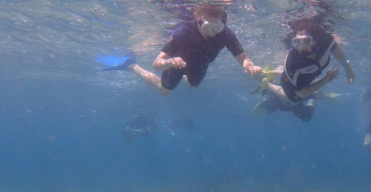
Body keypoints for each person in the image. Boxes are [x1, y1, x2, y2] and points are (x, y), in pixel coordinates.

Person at [103, 5, 261, 96]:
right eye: (207, 27)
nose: (212, 33)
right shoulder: (183, 31)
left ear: (224, 24)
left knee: (194, 86)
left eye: (217, 27)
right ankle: (132, 67)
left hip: (201, 64)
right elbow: (156, 65)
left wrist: (249, 66)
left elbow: (243, 58)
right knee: (165, 92)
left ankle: (188, 78)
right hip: (176, 65)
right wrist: (168, 62)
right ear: (197, 20)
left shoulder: (226, 34)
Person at [252, 19, 355, 121]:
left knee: (301, 89)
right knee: (294, 99)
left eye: (306, 41)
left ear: (314, 40)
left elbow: (336, 50)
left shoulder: (324, 40)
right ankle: (267, 84)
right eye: (296, 42)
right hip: (292, 82)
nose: (301, 47)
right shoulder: (293, 63)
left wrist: (348, 68)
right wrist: (327, 79)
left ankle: (273, 73)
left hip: (306, 75)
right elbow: (301, 93)